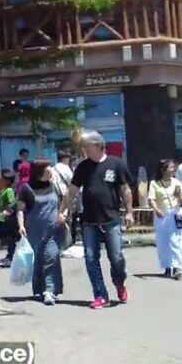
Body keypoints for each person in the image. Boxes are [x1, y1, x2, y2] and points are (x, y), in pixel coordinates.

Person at [59, 130, 133, 309]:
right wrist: (62, 210)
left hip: (111, 219)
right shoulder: (83, 167)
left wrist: (129, 212)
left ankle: (119, 283)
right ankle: (100, 295)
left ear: (98, 145)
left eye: (87, 146)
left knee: (116, 258)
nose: (84, 149)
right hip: (89, 221)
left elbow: (125, 190)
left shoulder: (116, 164)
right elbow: (72, 191)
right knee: (91, 259)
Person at [15, 159, 65, 304]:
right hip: (34, 230)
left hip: (53, 230)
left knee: (51, 257)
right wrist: (21, 226)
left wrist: (63, 214)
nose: (52, 169)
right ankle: (39, 290)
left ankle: (50, 290)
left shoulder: (54, 185)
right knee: (38, 260)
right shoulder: (26, 189)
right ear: (41, 171)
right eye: (49, 167)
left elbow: (64, 202)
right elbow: (20, 210)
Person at [147, 158, 182, 280]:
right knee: (162, 242)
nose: (173, 170)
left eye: (173, 167)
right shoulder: (154, 183)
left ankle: (178, 266)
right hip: (161, 215)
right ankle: (167, 266)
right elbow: (151, 199)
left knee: (176, 240)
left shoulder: (177, 183)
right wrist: (156, 209)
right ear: (163, 170)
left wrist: (179, 196)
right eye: (170, 167)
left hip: (175, 213)